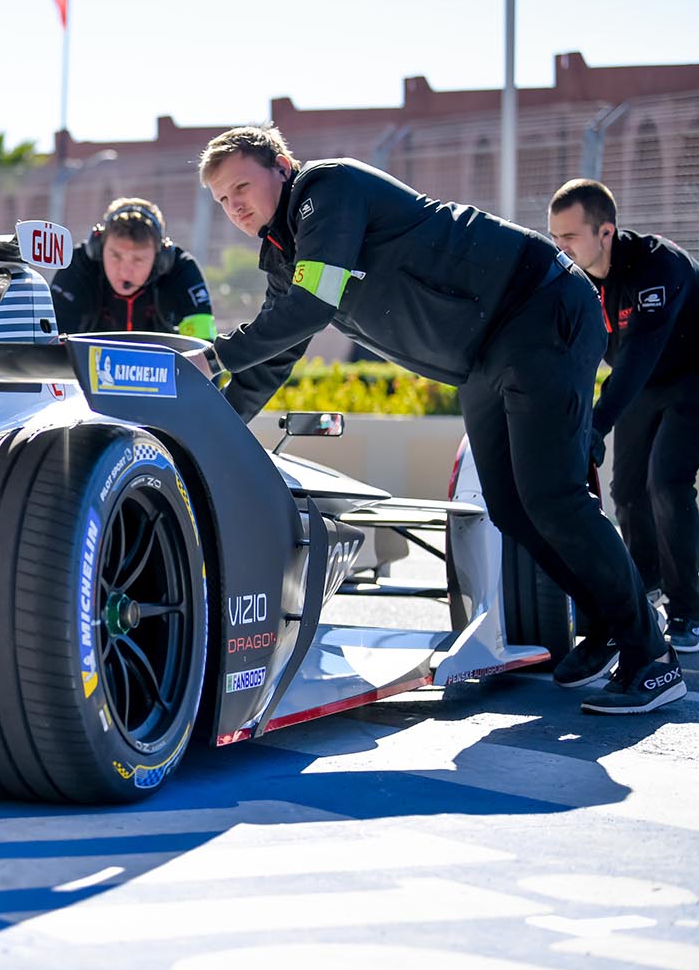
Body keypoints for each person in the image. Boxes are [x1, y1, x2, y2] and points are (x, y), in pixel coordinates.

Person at [197, 123, 684, 715]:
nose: (235, 206)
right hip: (482, 354)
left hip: (537, 307)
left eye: (242, 186)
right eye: (223, 199)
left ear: (280, 165)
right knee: (508, 505)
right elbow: (272, 361)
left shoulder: (328, 190)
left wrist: (215, 355)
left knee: (553, 496)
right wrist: (205, 430)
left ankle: (652, 657)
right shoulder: (284, 253)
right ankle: (612, 626)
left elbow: (313, 304)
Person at [548, 178, 699, 652]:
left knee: (666, 482)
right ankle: (646, 591)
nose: (562, 248)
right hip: (645, 385)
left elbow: (636, 356)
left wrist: (596, 423)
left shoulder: (659, 266)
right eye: (555, 238)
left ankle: (689, 612)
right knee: (627, 490)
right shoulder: (577, 278)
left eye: (570, 238)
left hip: (693, 376)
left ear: (605, 232)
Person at [49, 197, 214, 339]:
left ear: (160, 258)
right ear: (98, 247)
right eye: (116, 256)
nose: (125, 271)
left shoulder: (182, 270)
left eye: (138, 260)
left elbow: (205, 350)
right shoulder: (79, 266)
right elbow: (51, 343)